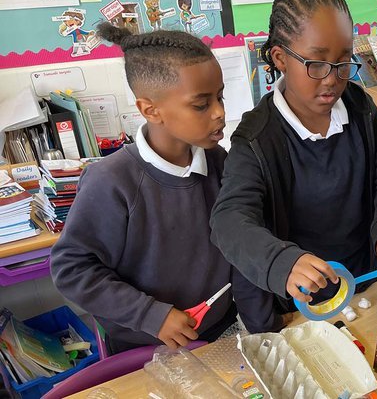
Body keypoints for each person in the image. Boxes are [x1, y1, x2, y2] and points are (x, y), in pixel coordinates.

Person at [51, 23, 281, 354]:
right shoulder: (111, 182)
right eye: (201, 104)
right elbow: (72, 269)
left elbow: (241, 251)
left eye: (220, 97)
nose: (220, 113)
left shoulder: (219, 162)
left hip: (218, 336)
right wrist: (151, 316)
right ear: (150, 110)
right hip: (143, 348)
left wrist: (265, 333)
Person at [210, 0, 377, 313]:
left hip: (364, 282)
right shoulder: (257, 138)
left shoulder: (359, 107)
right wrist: (282, 262)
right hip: (297, 305)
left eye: (344, 61)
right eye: (316, 63)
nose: (332, 79)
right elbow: (230, 220)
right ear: (280, 58)